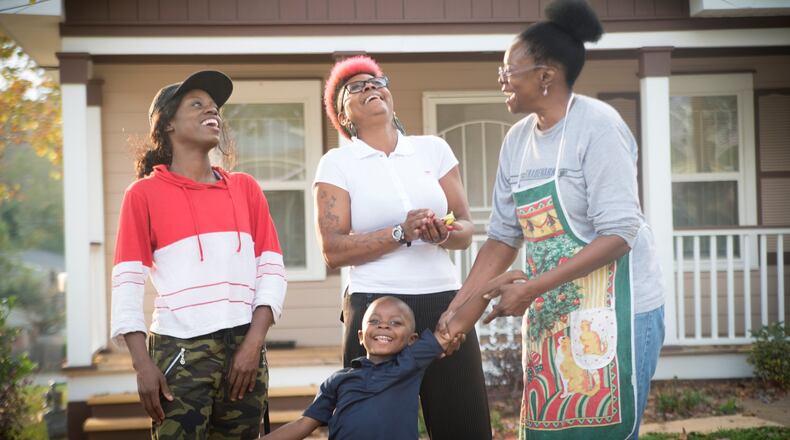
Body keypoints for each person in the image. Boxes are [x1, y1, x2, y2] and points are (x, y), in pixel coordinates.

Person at [438, 1, 665, 439]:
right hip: (553, 313)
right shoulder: (517, 140)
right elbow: (503, 238)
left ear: (546, 75)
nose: (502, 79)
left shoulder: (599, 128)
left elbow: (620, 234)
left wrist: (533, 288)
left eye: (510, 70)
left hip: (618, 311)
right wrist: (458, 310)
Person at [313, 55, 492, 439]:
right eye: (355, 87)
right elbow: (333, 250)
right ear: (343, 115)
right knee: (374, 428)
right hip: (375, 307)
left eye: (377, 81)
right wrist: (401, 232)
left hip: (445, 302)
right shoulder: (337, 163)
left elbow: (465, 227)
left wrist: (441, 232)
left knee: (464, 425)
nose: (370, 88)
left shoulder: (433, 149)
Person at [110, 70, 287, 438]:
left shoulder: (245, 188)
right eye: (197, 104)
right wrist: (142, 365)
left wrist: (253, 344)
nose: (213, 112)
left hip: (246, 347)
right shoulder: (142, 195)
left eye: (214, 107)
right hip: (180, 353)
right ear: (168, 125)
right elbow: (127, 283)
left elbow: (271, 270)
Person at [261, 293, 493, 440]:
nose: (383, 326)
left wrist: (488, 290)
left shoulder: (410, 365)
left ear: (412, 339)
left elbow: (453, 327)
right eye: (375, 321)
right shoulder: (339, 380)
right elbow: (304, 424)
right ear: (361, 336)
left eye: (395, 322)